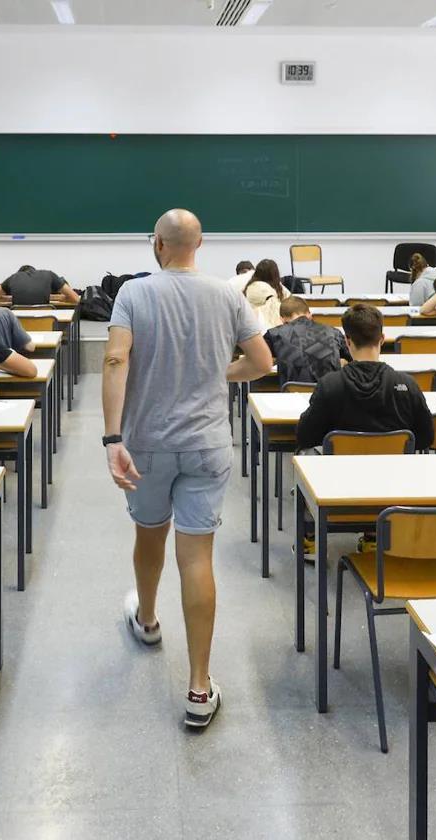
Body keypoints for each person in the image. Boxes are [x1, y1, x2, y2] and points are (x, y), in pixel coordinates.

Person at [103, 208, 271, 730]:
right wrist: (219, 373)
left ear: (158, 244)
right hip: (206, 445)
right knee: (197, 557)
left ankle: (148, 621)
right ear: (200, 244)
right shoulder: (226, 294)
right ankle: (200, 686)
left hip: (148, 443)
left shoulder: (133, 293)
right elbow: (264, 363)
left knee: (150, 535)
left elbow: (114, 361)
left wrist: (112, 438)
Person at [296, 304, 434, 451]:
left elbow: (305, 437)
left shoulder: (329, 385)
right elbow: (426, 437)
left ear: (347, 341)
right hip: (395, 470)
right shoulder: (407, 384)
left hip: (340, 470)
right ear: (382, 339)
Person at [264, 297, 351, 385]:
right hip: (330, 393)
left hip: (292, 394)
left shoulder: (274, 334)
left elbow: (258, 360)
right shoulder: (333, 332)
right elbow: (353, 357)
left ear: (282, 319)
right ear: (309, 314)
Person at [243, 258, 291, 330]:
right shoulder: (257, 287)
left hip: (263, 326)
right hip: (261, 326)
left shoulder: (277, 286)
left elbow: (289, 298)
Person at [1, 265, 80, 306]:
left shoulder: (13, 278)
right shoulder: (49, 275)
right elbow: (75, 298)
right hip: (46, 324)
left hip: (19, 325)